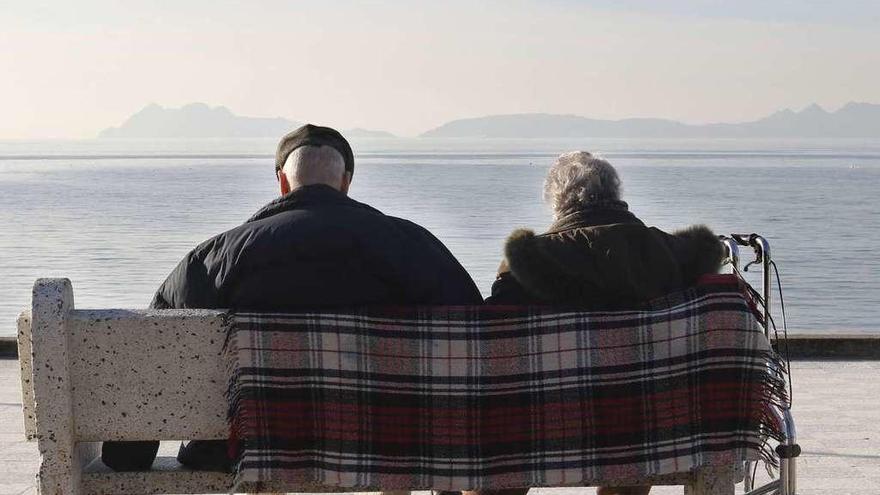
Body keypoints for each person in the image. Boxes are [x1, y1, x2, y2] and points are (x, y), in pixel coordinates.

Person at [101, 124, 483, 472]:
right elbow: (477, 334)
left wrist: (128, 458)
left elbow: (151, 350)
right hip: (388, 446)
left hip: (246, 450)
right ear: (346, 182)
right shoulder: (414, 247)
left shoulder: (212, 259)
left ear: (282, 182)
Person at [477, 151, 723, 495]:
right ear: (616, 194)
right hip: (654, 428)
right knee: (636, 410)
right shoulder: (679, 255)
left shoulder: (531, 259)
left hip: (540, 428)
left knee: (504, 427)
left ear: (557, 200)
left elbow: (496, 345)